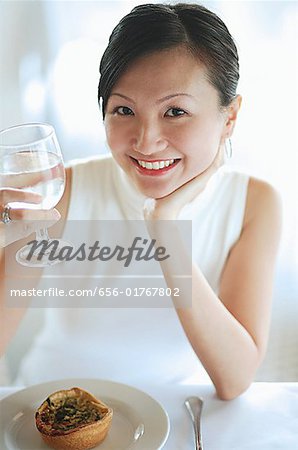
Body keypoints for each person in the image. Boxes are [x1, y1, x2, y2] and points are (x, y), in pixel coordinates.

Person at [0, 3, 282, 400]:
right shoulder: (60, 194)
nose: (146, 141)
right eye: (124, 110)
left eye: (176, 111)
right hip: (49, 406)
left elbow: (234, 379)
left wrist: (165, 229)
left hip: (178, 415)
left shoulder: (254, 203)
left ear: (229, 117)